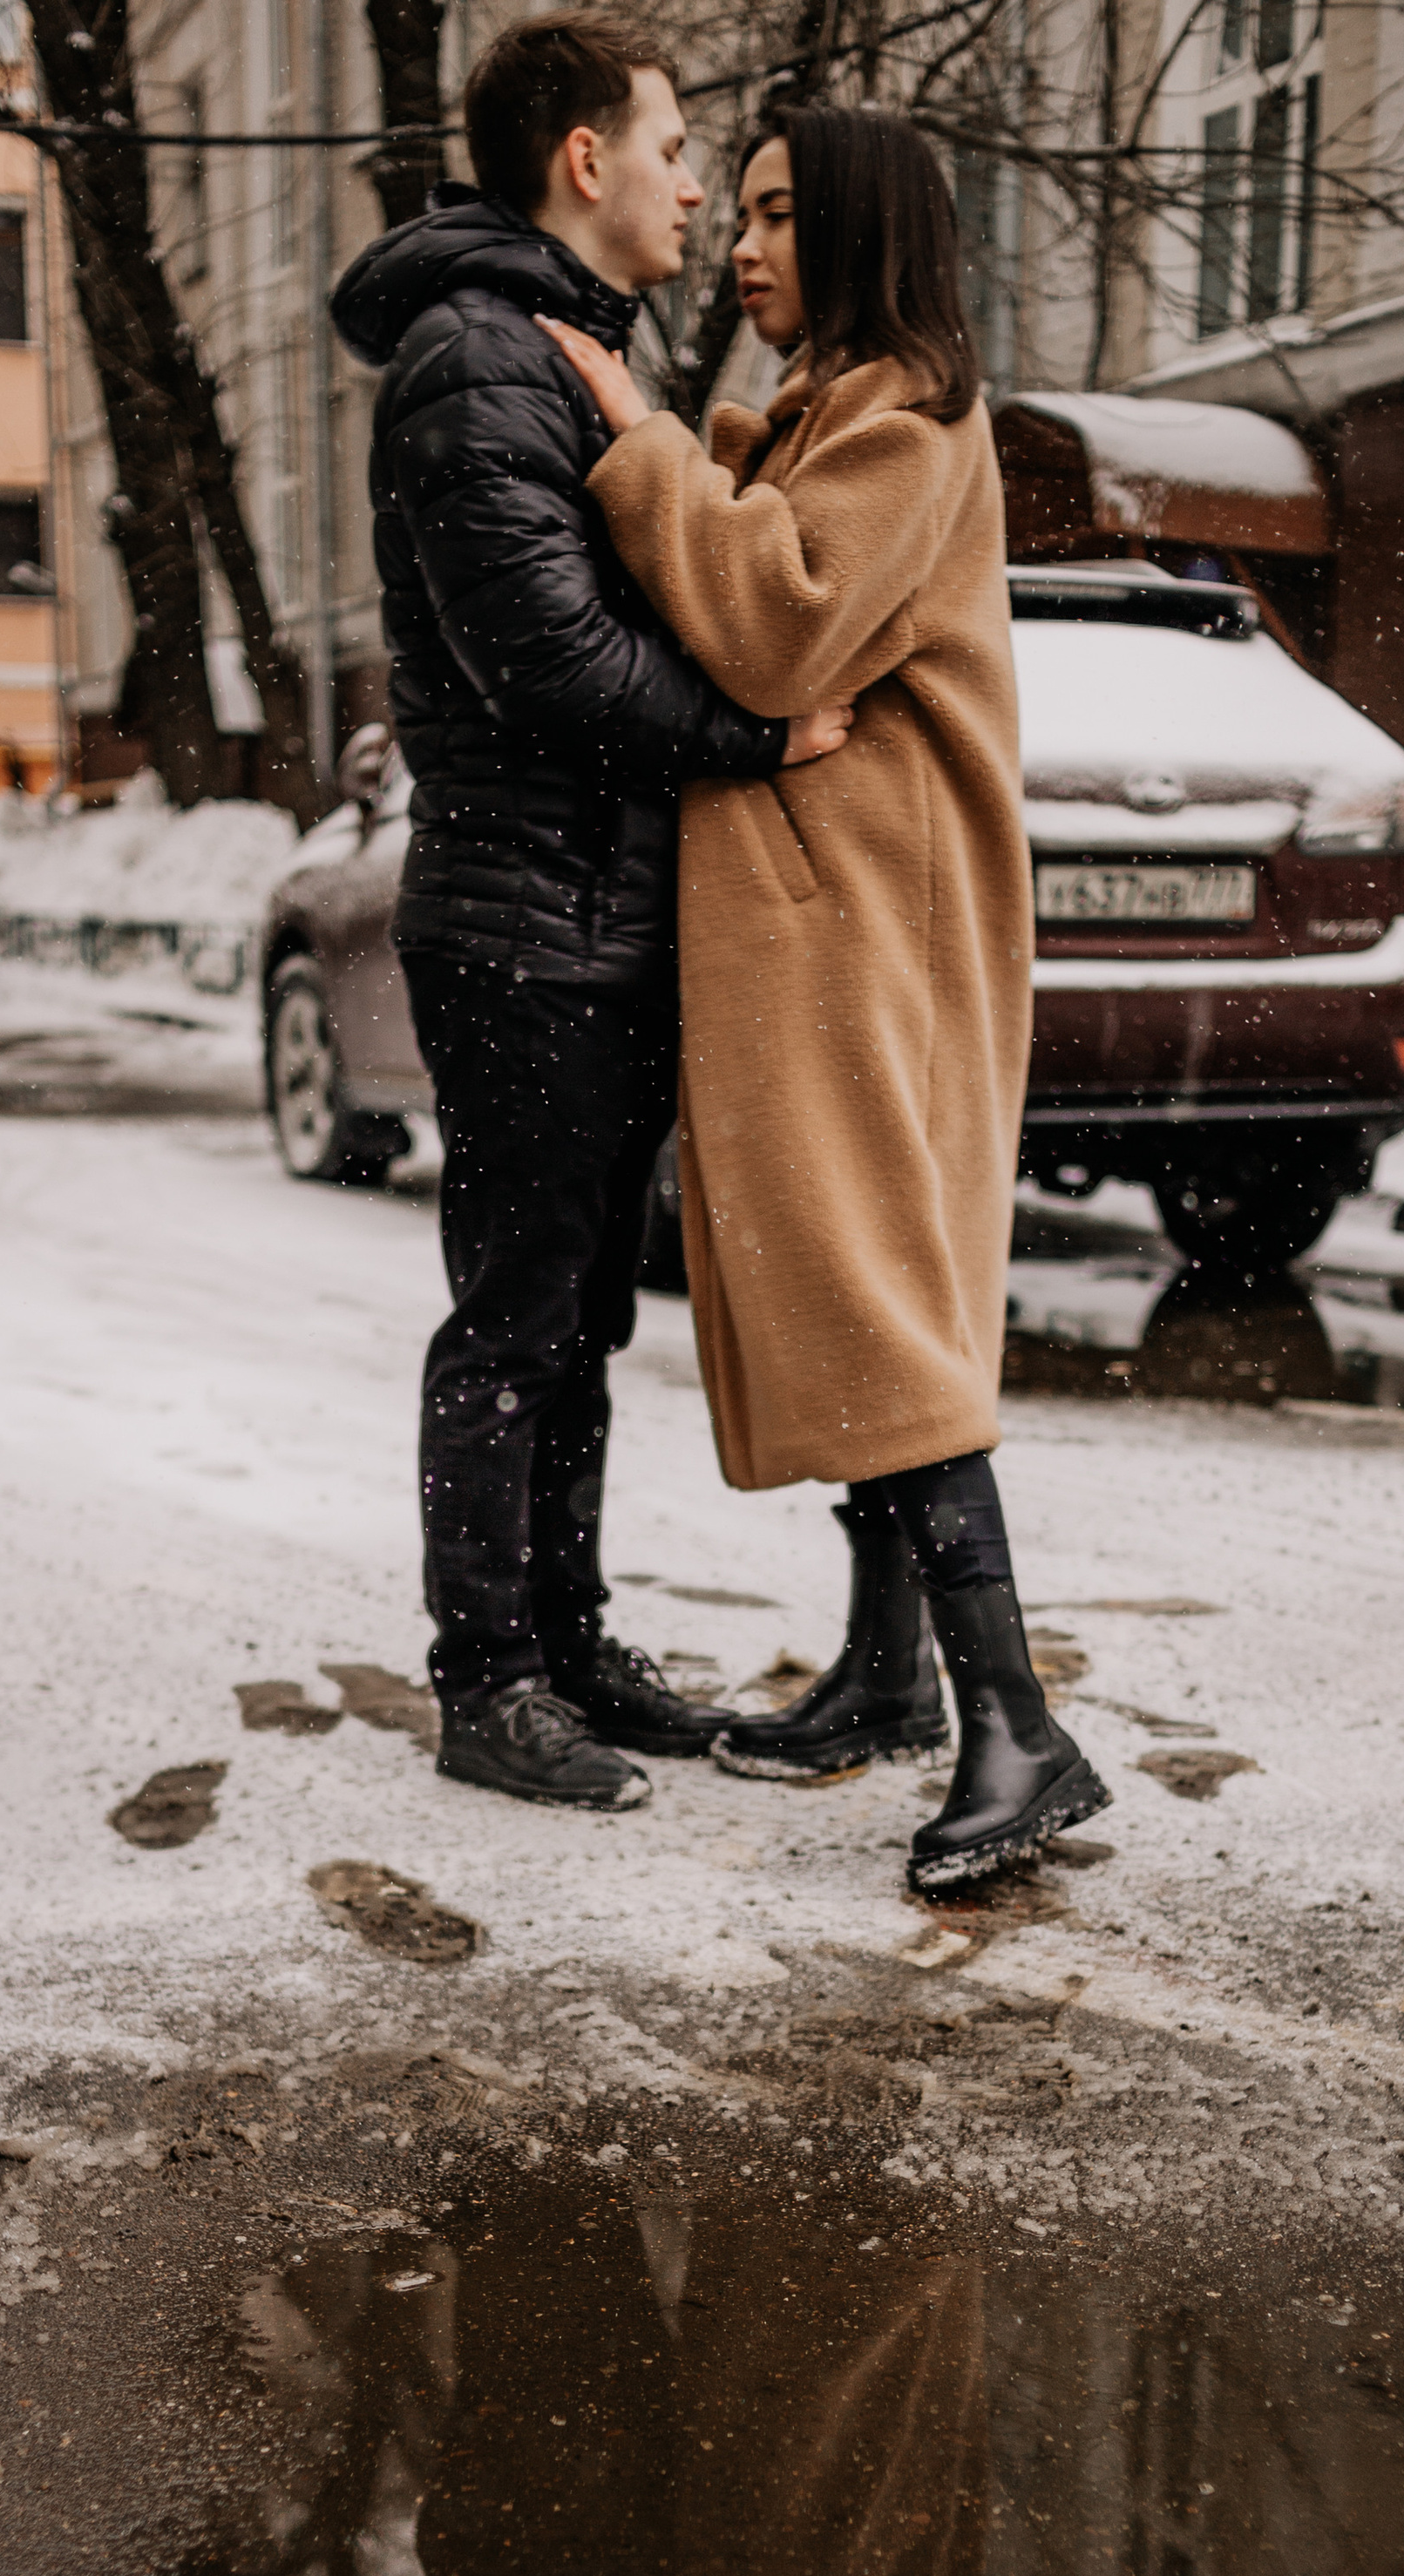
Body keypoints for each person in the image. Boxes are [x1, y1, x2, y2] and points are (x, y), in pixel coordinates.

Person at [538, 106, 1112, 1894]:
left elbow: (777, 625)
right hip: (846, 916)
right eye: (743, 212)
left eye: (780, 216)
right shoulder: (844, 410)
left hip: (879, 930)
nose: (744, 247)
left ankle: (1017, 1725)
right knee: (860, 1291)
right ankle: (886, 1678)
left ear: (860, 229)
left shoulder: (908, 418)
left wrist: (640, 446)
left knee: (876, 1306)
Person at [329, 18, 851, 1814]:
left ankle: (563, 1634)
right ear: (580, 160)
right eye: (674, 145)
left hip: (597, 912)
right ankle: (486, 1680)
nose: (695, 183)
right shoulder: (478, 359)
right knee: (514, 1315)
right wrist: (756, 736)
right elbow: (545, 660)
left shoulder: (565, 351)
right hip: (520, 913)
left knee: (580, 1318)